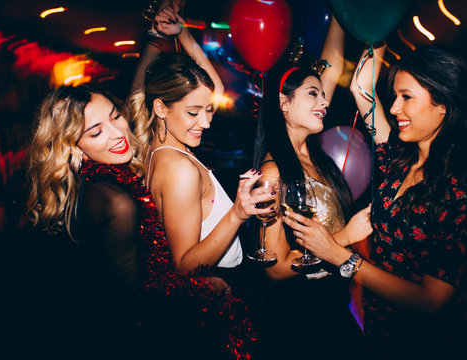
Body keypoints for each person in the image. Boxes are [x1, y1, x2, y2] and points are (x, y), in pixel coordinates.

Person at [283, 42, 467, 359]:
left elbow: (430, 301)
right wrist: (376, 33)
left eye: (406, 97)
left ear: (443, 105)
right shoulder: (398, 158)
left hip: (431, 344)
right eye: (395, 96)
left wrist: (339, 255)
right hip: (381, 332)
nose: (394, 108)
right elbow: (361, 88)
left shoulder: (466, 186)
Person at [26, 84, 257, 359]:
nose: (118, 133)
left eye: (115, 116)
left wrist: (157, 39)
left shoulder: (90, 183)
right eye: (96, 132)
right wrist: (196, 289)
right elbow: (135, 304)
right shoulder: (115, 202)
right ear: (74, 147)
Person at [129, 3, 274, 301]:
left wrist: (181, 35)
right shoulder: (179, 169)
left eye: (208, 111)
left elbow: (213, 90)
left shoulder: (152, 143)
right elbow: (185, 267)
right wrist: (237, 213)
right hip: (214, 297)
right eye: (194, 112)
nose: (206, 122)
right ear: (161, 107)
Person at [251, 16, 372, 359]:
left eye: (324, 94)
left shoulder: (317, 160)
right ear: (284, 104)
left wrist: (340, 14)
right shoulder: (274, 172)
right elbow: (275, 269)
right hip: (301, 322)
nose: (324, 101)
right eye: (313, 94)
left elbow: (331, 67)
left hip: (334, 305)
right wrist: (345, 238)